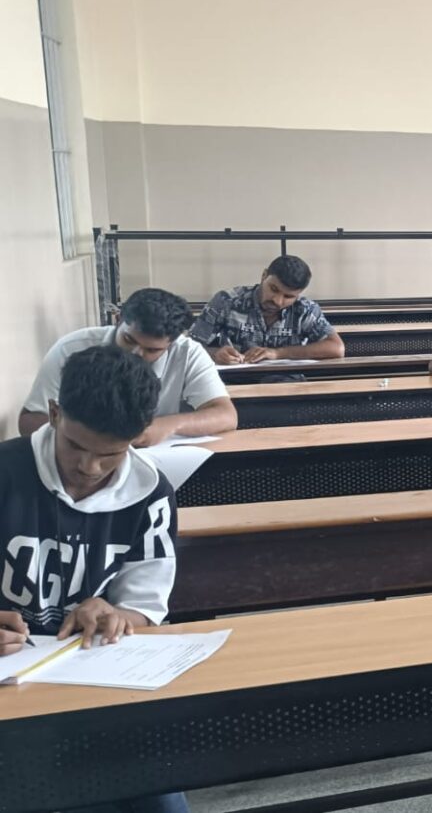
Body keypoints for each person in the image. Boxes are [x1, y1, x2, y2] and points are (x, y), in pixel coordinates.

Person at [0, 345, 186, 813]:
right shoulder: (6, 472)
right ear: (54, 414)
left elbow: (144, 605)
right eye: (76, 447)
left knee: (161, 798)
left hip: (94, 681)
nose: (89, 468)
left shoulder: (150, 492)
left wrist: (116, 614)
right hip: (10, 686)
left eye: (110, 455)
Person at [20, 287, 236, 446]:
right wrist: (92, 438)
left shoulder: (187, 353)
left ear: (171, 344)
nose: (136, 354)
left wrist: (166, 426)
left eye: (151, 350)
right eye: (128, 340)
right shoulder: (71, 348)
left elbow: (226, 416)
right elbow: (30, 420)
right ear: (119, 319)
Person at [189, 255, 345, 364]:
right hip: (233, 380)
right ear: (264, 276)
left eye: (288, 296)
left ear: (299, 295)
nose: (277, 301)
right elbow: (188, 348)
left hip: (287, 386)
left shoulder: (305, 310)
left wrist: (278, 353)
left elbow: (337, 348)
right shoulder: (227, 301)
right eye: (273, 289)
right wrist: (215, 354)